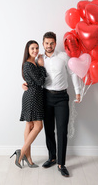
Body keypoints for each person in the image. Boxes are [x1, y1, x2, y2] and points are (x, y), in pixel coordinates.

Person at [22, 32, 82, 177]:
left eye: (52, 43)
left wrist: (78, 91)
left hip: (61, 97)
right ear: (43, 44)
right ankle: (52, 158)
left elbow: (73, 73)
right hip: (45, 97)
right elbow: (31, 74)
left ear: (55, 43)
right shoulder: (38, 59)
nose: (49, 46)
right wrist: (25, 84)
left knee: (62, 131)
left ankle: (61, 163)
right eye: (46, 43)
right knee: (48, 130)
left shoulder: (63, 57)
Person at [10, 40, 46, 169]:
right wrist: (41, 66)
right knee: (38, 126)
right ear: (28, 50)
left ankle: (28, 158)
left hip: (33, 95)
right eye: (32, 48)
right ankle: (22, 152)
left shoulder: (32, 63)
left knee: (30, 125)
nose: (35, 50)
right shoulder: (29, 65)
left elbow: (33, 81)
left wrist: (39, 64)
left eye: (37, 48)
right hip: (32, 97)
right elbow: (40, 81)